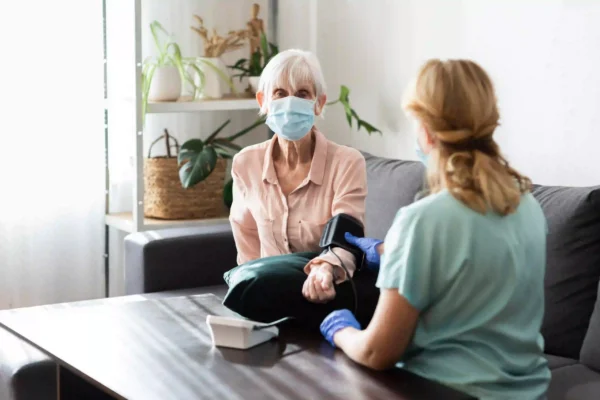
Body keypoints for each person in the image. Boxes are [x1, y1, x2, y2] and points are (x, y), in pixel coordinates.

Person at [321, 59, 551, 399]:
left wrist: (339, 329)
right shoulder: (528, 206)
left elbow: (377, 353)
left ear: (426, 130)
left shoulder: (422, 220)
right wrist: (396, 257)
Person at [229, 49, 367, 304]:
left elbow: (347, 236)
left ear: (319, 103)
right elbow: (245, 235)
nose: (290, 103)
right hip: (267, 290)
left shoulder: (347, 162)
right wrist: (247, 285)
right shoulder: (246, 163)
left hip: (325, 289)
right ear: (263, 101)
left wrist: (324, 268)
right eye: (280, 94)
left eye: (302, 94)